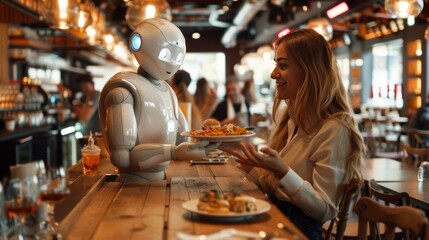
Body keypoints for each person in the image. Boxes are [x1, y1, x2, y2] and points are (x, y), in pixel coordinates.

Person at [219, 29, 365, 239]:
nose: (273, 74)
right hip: (274, 214)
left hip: (300, 230)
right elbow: (272, 185)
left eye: (283, 65)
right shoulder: (289, 116)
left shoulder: (335, 128)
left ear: (310, 70)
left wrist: (282, 171)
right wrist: (244, 158)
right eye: (276, 64)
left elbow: (324, 209)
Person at [98, 18, 218, 181]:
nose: (171, 63)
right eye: (166, 54)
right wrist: (173, 152)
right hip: (134, 184)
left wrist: (203, 141)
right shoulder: (123, 91)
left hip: (161, 178)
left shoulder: (167, 90)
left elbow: (183, 138)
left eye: (177, 57)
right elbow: (122, 158)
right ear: (137, 43)